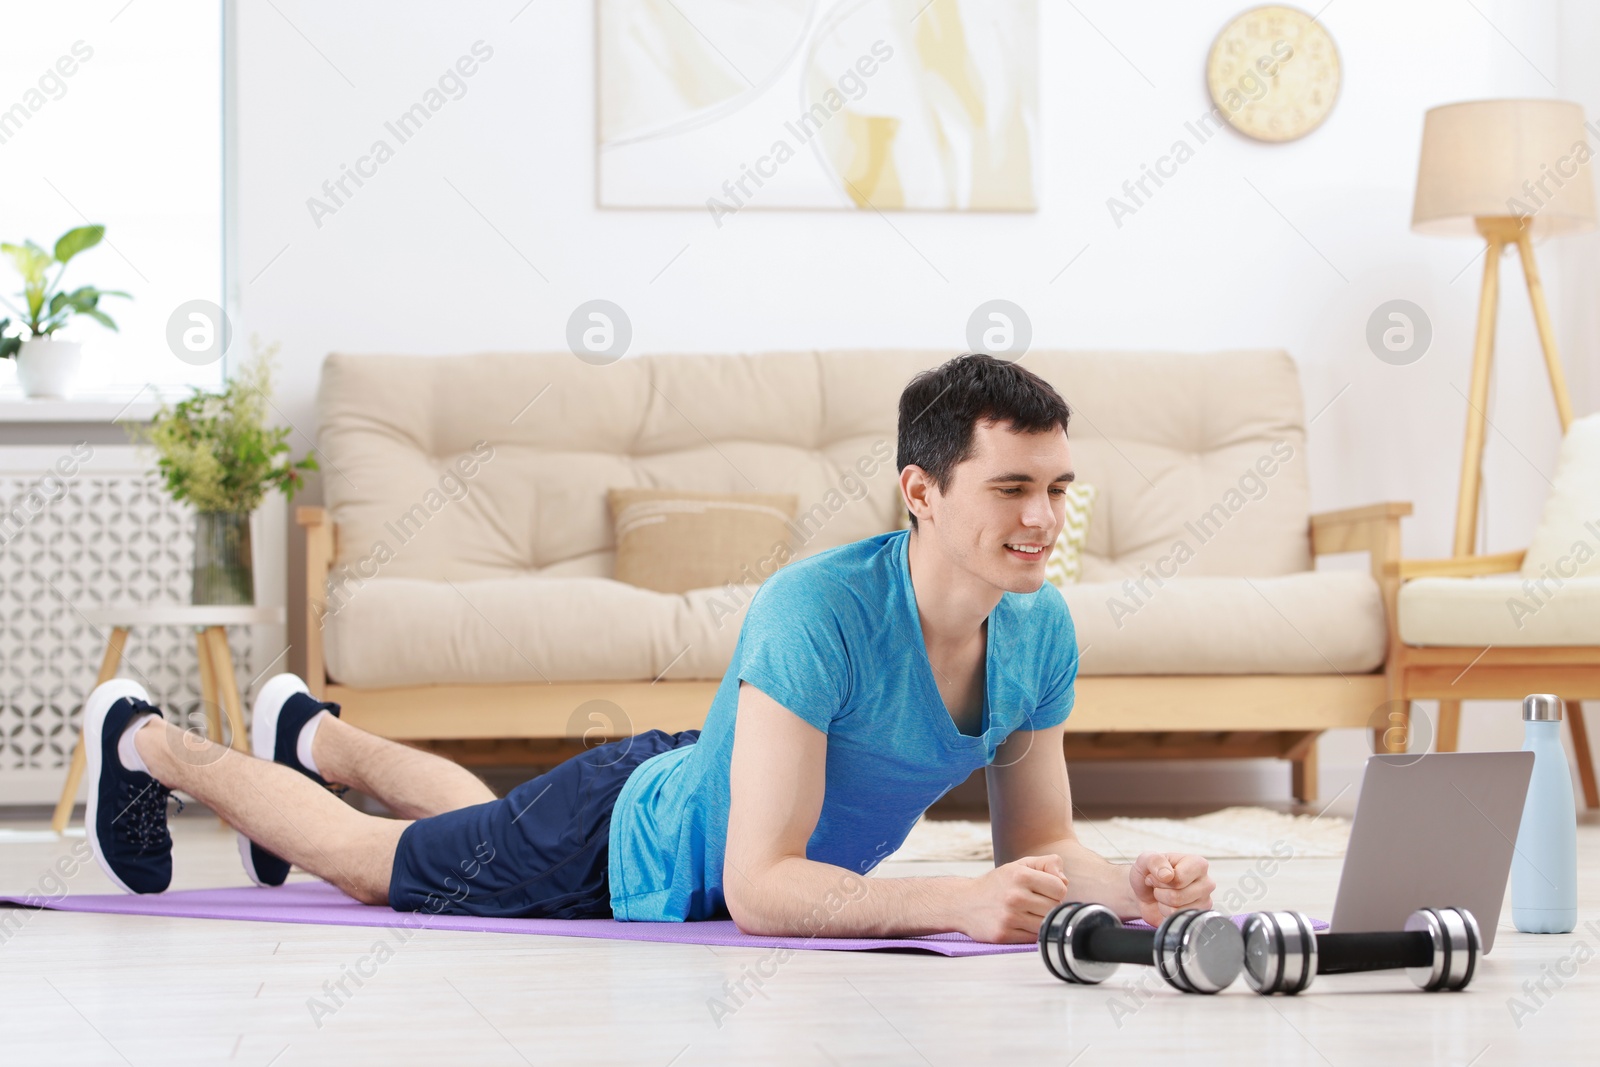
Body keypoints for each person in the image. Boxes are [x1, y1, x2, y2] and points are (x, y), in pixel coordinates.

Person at [83, 353, 1214, 943]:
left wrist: (1134, 886)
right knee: (378, 866)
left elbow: (1043, 839)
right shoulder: (815, 610)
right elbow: (760, 886)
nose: (1043, 518)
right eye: (1012, 486)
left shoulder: (1038, 627)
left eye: (1059, 487)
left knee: (472, 818)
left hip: (697, 774)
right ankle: (144, 739)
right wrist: (954, 901)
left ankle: (312, 732)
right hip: (624, 845)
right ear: (918, 491)